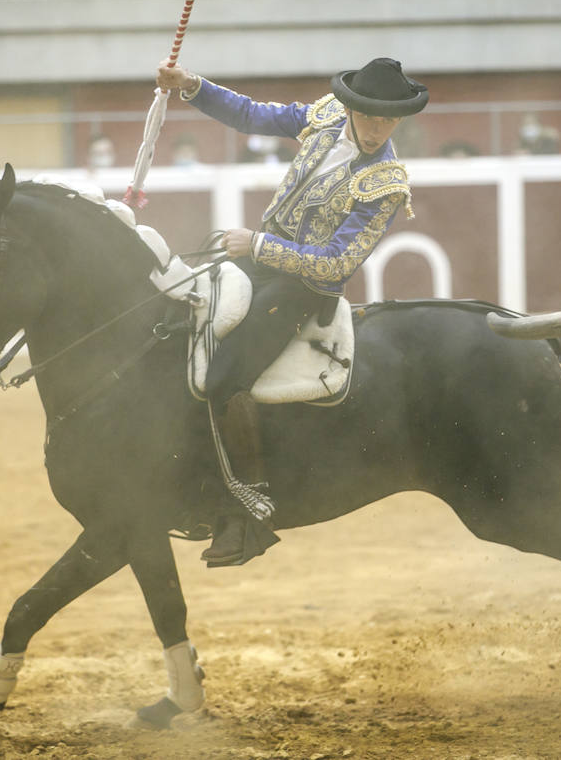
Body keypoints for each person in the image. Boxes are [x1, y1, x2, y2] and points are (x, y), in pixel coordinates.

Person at [155, 55, 428, 566]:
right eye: (369, 117)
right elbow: (252, 115)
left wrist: (257, 246)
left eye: (389, 121)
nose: (377, 130)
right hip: (258, 259)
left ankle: (250, 511)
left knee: (225, 377)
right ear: (351, 107)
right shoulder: (325, 117)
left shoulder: (386, 183)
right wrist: (191, 86)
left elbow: (336, 264)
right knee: (173, 324)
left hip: (303, 287)